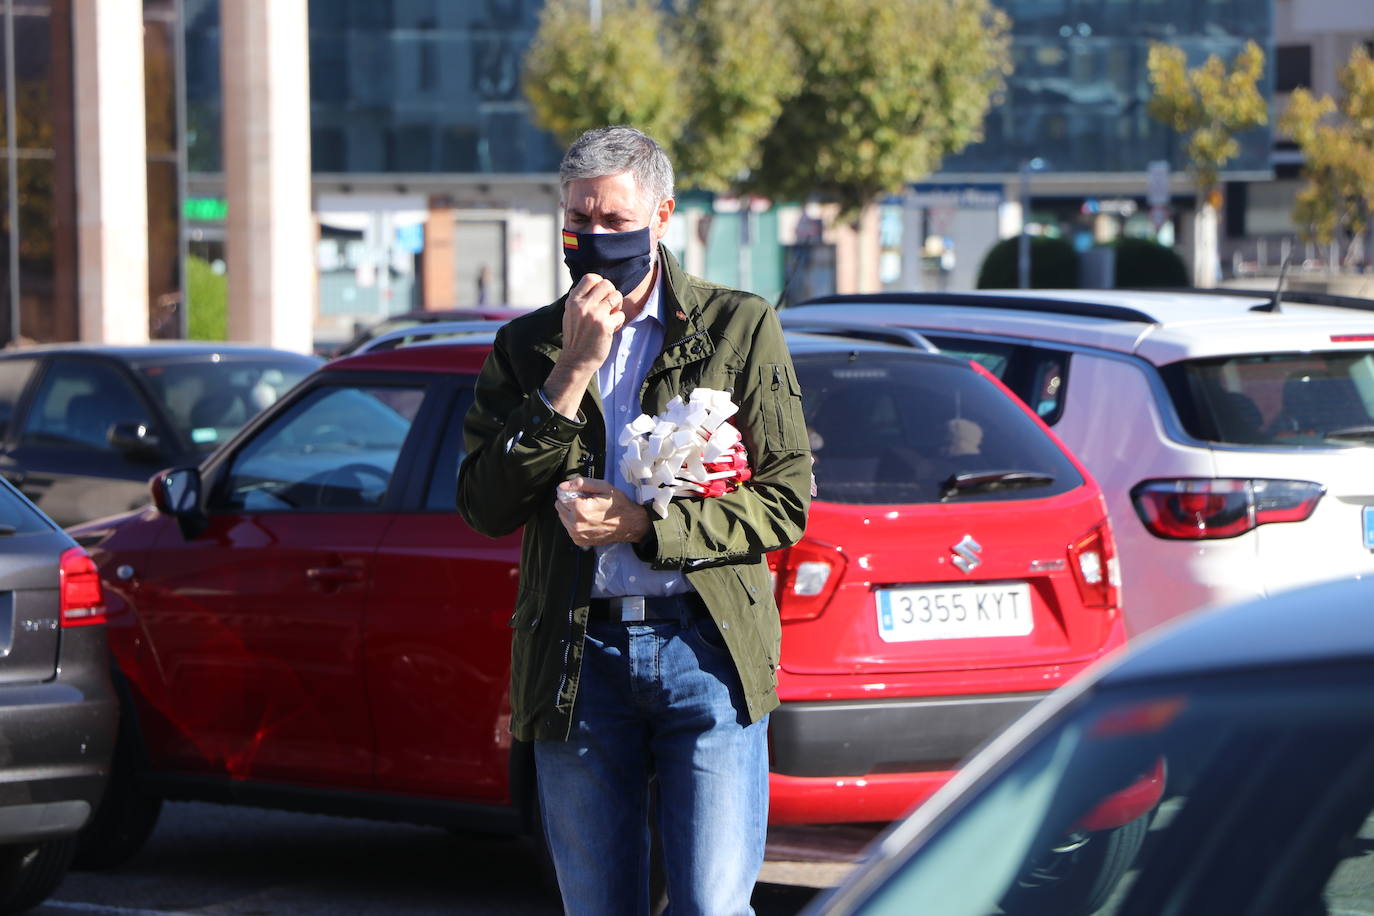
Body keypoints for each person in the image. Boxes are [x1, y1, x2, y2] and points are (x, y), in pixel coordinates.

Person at [456, 125, 811, 915]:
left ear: (662, 216)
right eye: (578, 221)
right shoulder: (526, 347)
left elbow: (786, 503)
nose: (593, 238)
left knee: (712, 907)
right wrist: (570, 372)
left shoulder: (738, 328)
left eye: (615, 221)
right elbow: (483, 504)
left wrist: (647, 529)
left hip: (705, 646)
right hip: (580, 655)